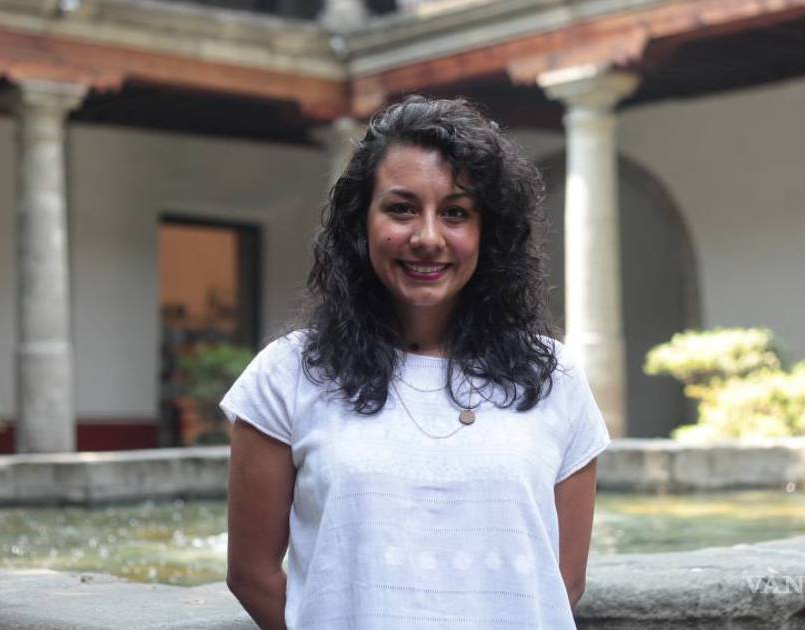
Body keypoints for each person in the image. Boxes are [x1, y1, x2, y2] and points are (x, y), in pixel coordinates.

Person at [221, 95, 610, 629]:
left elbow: (563, 581)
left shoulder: (553, 378)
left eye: (455, 213)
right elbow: (252, 574)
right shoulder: (286, 375)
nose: (428, 238)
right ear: (361, 223)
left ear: (488, 231)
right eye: (401, 208)